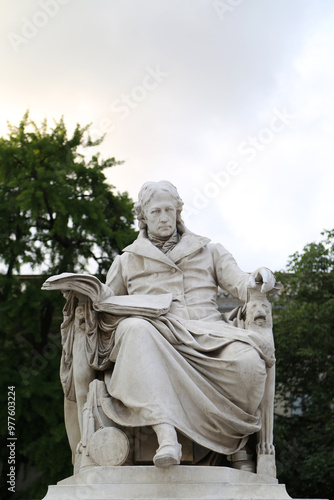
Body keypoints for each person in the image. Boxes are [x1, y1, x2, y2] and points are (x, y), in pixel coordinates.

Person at [94, 180, 277, 469]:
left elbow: (242, 283)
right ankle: (166, 434)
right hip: (157, 336)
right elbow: (103, 302)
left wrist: (259, 277)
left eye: (170, 210)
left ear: (179, 212)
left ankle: (237, 446)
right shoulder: (127, 260)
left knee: (249, 364)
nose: (165, 217)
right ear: (143, 216)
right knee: (133, 329)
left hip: (209, 334)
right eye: (156, 212)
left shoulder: (210, 251)